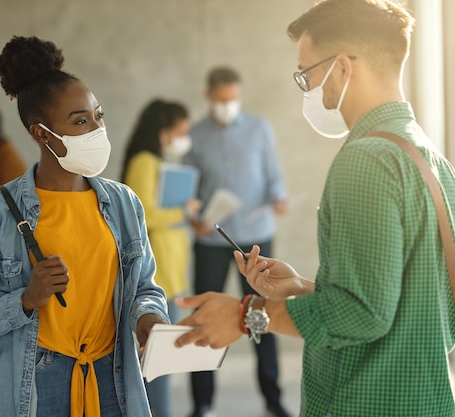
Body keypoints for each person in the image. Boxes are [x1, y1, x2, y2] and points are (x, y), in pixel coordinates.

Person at [175, 1, 455, 416]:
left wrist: (244, 312)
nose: (307, 88)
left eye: (307, 73)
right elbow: (419, 306)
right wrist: (303, 287)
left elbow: (362, 316)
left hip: (364, 402)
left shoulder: (365, 160)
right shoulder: (428, 156)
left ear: (342, 67)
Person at [0, 35, 169, 417]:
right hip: (36, 383)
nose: (97, 129)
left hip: (114, 379)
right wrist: (26, 299)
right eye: (80, 121)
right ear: (41, 133)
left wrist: (148, 317)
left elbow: (145, 287)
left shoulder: (124, 202)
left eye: (99, 115)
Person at [182, 67, 291, 417]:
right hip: (212, 240)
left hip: (257, 235)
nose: (228, 105)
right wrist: (192, 216)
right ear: (209, 96)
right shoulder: (194, 136)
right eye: (221, 99)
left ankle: (273, 402)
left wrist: (280, 198)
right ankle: (202, 404)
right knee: (204, 315)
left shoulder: (260, 129)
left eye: (233, 99)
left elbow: (275, 178)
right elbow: (189, 193)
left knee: (266, 315)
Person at [121, 99, 201, 417]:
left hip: (170, 271)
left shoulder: (156, 162)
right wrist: (182, 211)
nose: (184, 138)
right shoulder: (144, 162)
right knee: (158, 359)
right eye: (181, 132)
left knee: (161, 360)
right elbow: (142, 216)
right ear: (164, 132)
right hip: (158, 275)